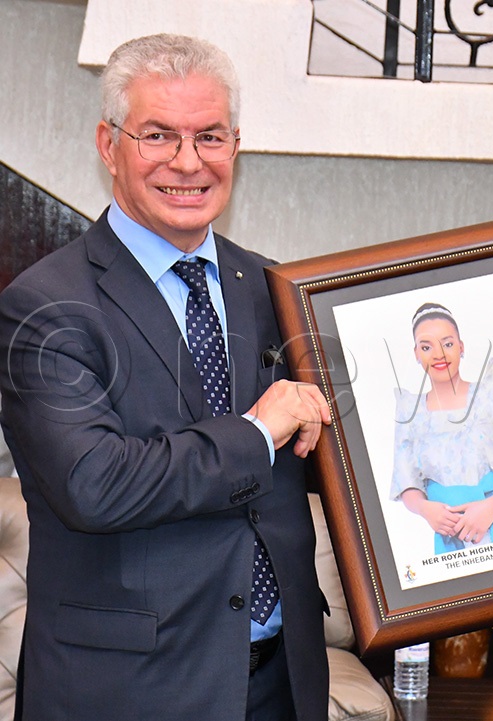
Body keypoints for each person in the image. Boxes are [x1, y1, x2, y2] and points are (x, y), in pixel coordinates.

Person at [0, 34, 332, 721]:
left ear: (236, 145)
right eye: (158, 136)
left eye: (210, 136)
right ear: (108, 144)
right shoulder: (44, 308)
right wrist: (254, 431)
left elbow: (340, 453)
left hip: (281, 684)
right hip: (127, 692)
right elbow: (95, 483)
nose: (189, 161)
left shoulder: (272, 290)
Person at [391, 303, 493, 554]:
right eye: (427, 346)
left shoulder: (490, 393)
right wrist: (427, 510)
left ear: (461, 347)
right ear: (416, 353)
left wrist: (491, 506)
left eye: (447, 343)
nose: (439, 355)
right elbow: (407, 482)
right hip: (453, 543)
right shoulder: (409, 412)